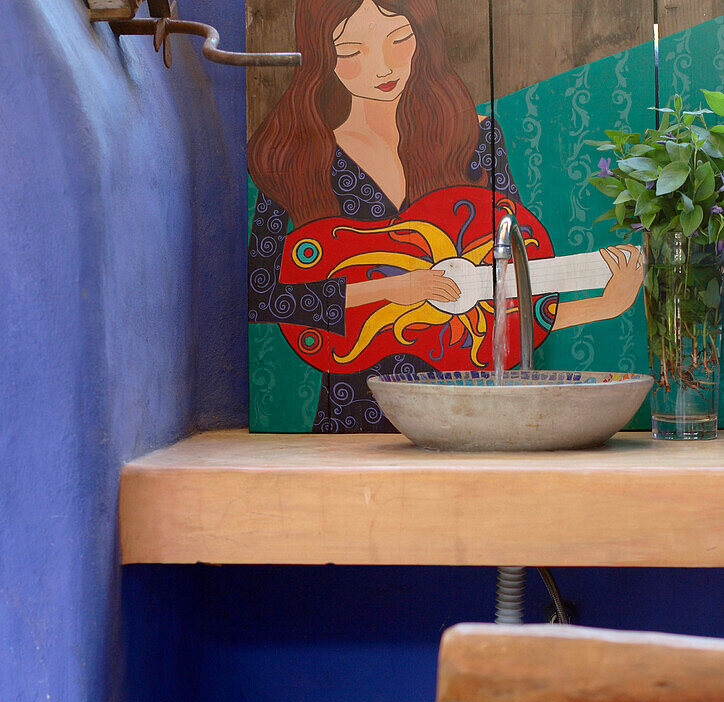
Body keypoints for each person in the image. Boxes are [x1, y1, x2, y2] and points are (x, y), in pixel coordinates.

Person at [248, 0, 643, 431]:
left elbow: (500, 310)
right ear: (322, 56)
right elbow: (265, 297)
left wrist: (605, 305)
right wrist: (395, 288)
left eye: (398, 40)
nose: (382, 67)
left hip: (467, 408)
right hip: (354, 409)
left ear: (423, 36)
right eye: (351, 51)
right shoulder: (296, 159)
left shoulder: (477, 137)